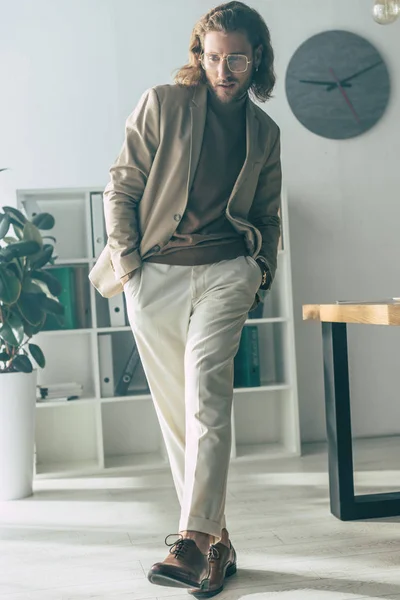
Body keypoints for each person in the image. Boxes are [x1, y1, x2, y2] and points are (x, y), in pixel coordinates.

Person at [89, 1, 281, 596]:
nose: (225, 69)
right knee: (179, 420)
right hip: (157, 275)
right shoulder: (163, 104)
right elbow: (121, 187)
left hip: (227, 270)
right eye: (214, 57)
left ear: (257, 62)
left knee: (206, 390)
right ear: (200, 56)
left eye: (238, 59)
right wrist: (129, 266)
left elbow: (268, 215)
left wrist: (260, 270)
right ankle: (217, 546)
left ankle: (190, 544)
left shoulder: (265, 133)